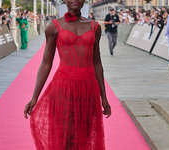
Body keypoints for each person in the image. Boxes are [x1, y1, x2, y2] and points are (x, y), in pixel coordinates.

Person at [24, 0, 111, 149]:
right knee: (66, 138)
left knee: (85, 137)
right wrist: (34, 97)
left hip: (89, 90)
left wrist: (104, 97)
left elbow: (97, 63)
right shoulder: (53, 26)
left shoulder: (94, 27)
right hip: (63, 89)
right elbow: (46, 63)